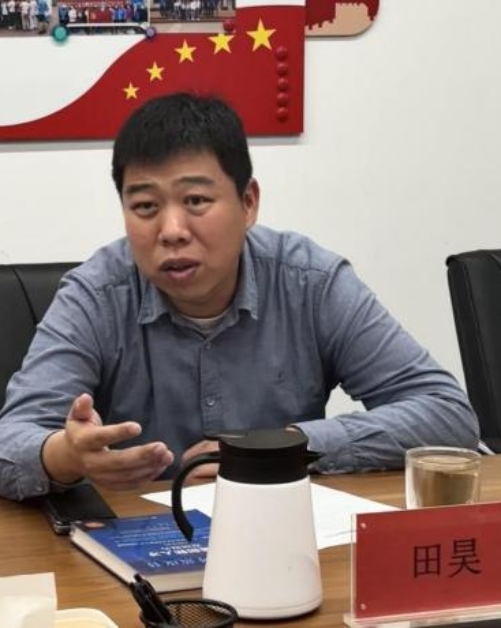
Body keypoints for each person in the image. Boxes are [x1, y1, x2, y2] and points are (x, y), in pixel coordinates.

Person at [0, 92, 479, 501]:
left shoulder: (310, 282)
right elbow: (10, 442)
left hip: (278, 533)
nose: (171, 230)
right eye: (144, 206)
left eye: (196, 201)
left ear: (248, 202)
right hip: (130, 545)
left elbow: (447, 415)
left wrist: (280, 448)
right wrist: (65, 457)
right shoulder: (96, 295)